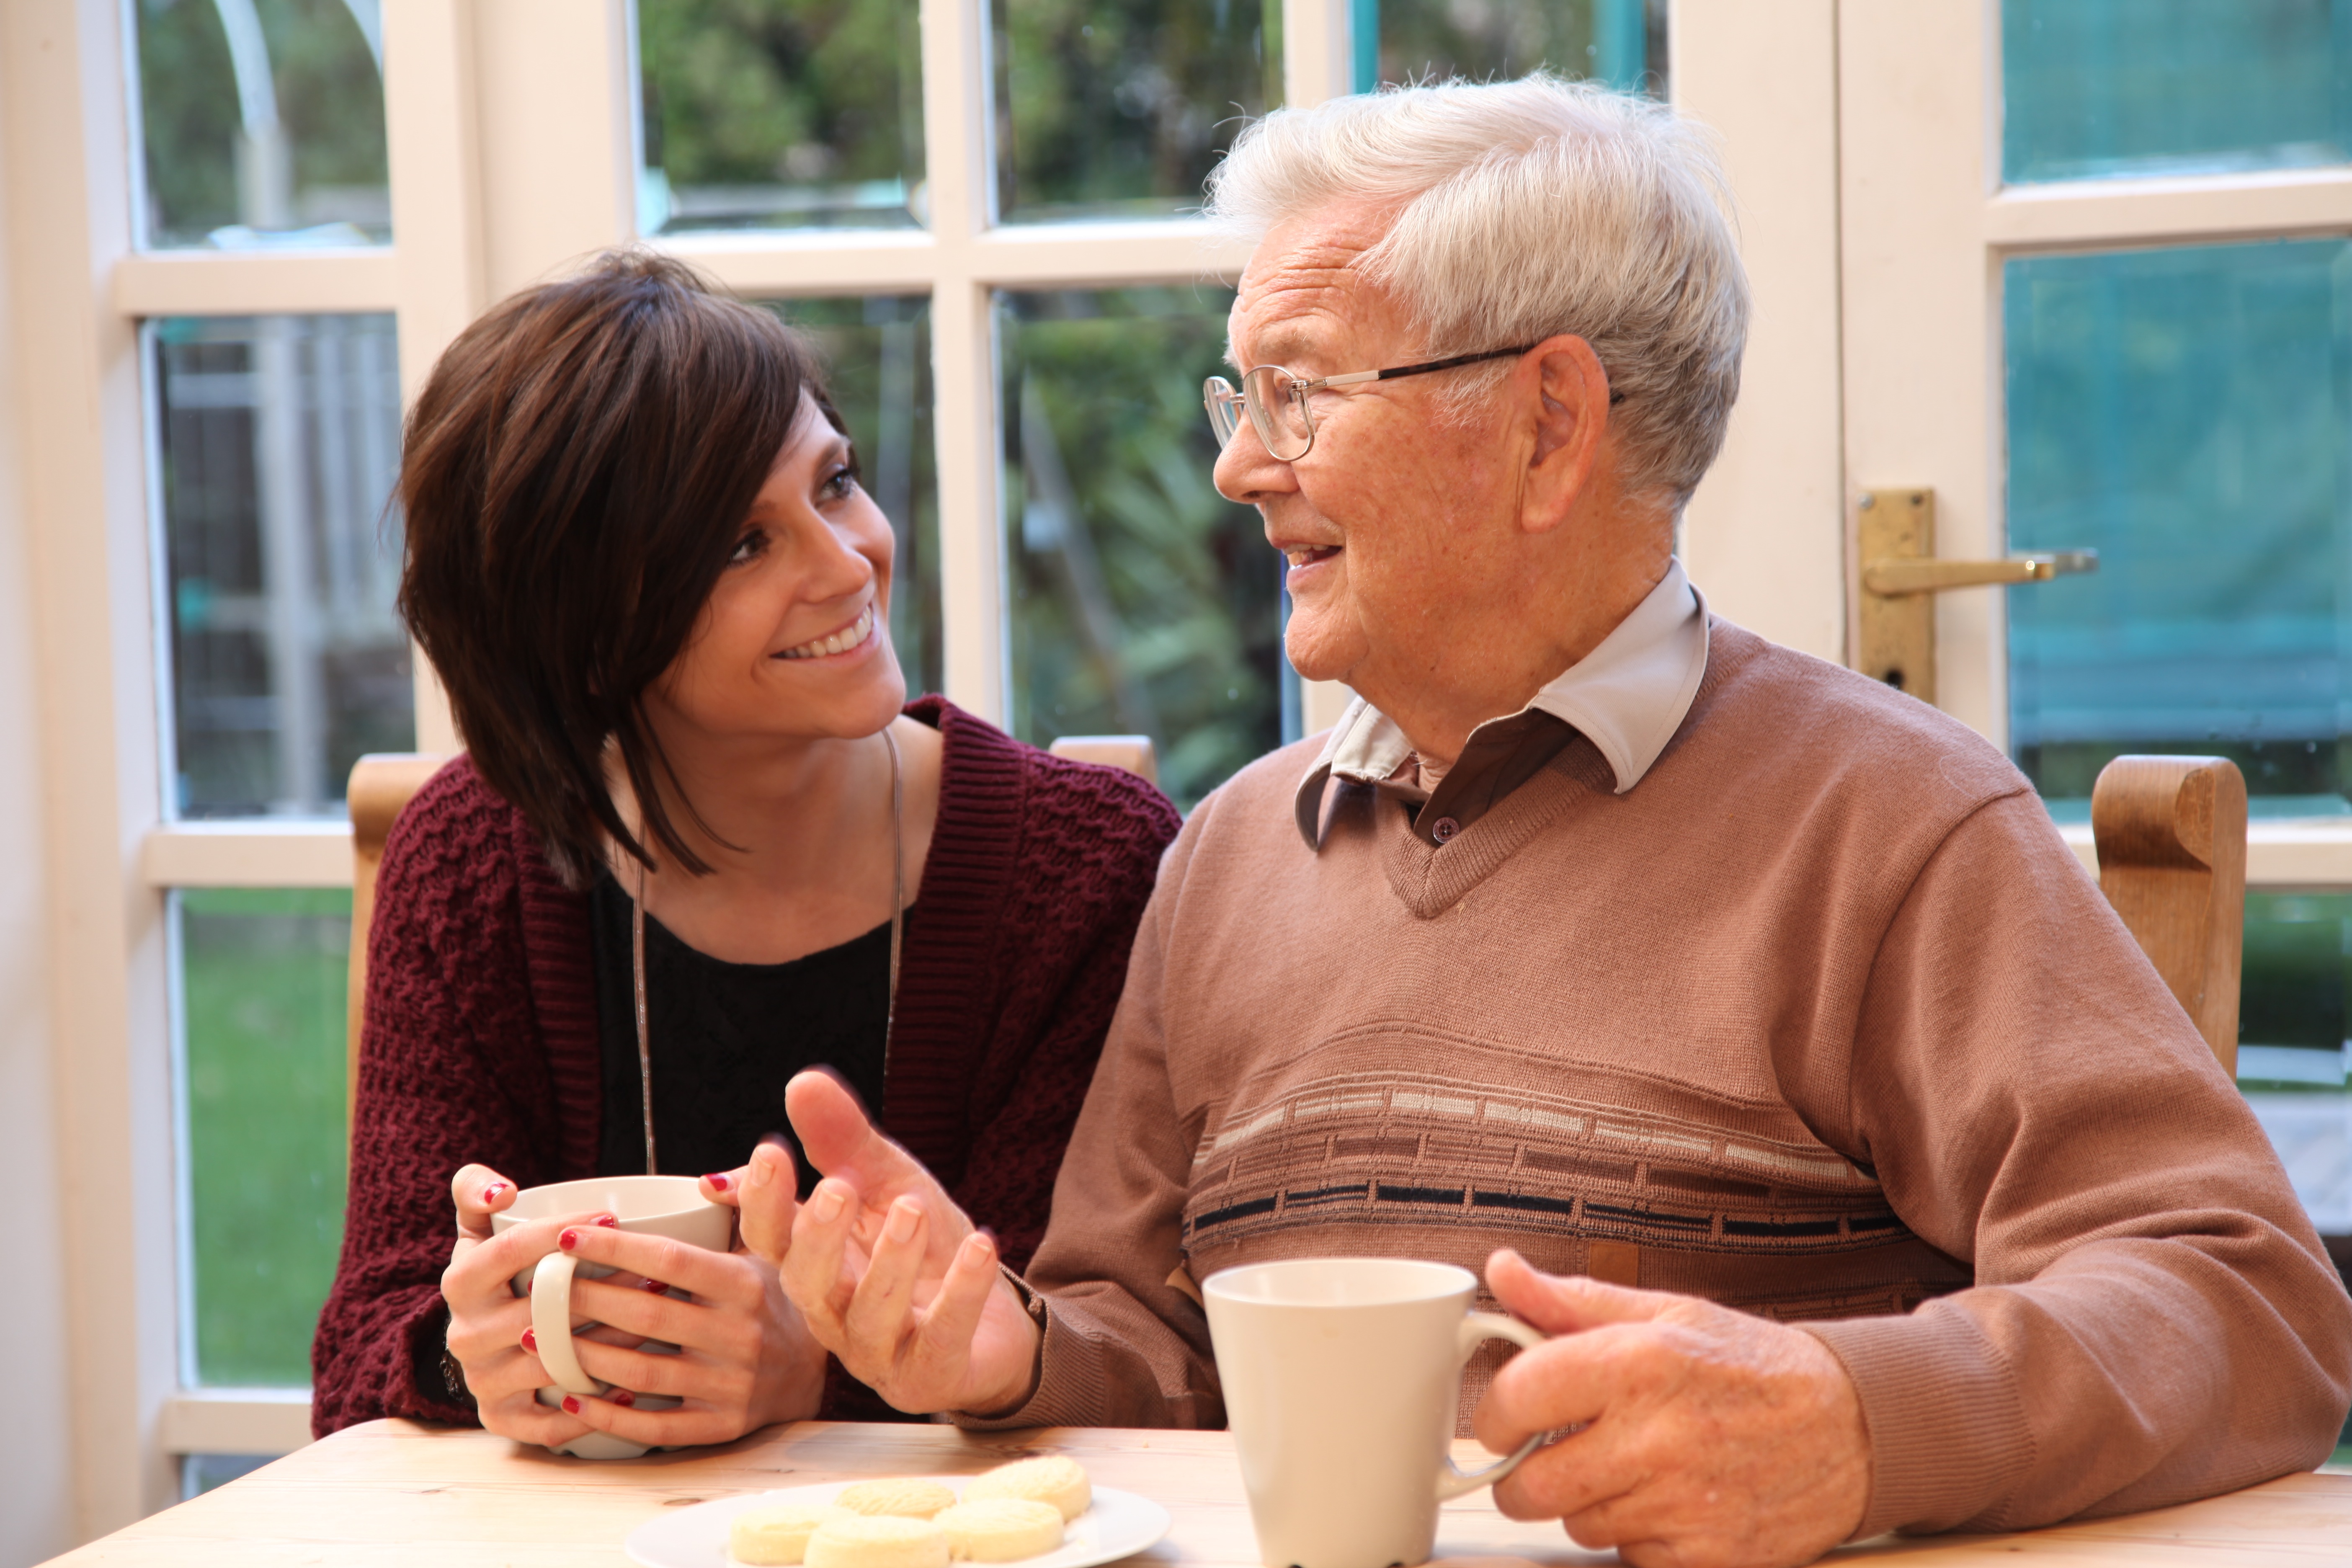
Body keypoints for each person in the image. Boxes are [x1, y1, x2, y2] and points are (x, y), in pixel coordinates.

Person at [709, 77, 2352, 1568]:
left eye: (1298, 393)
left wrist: (1857, 1419)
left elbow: (2247, 1298)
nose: (1236, 469)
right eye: (1243, 395)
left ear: (1552, 428)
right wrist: (1007, 1352)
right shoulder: (1228, 857)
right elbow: (1144, 1339)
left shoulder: (1895, 827)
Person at [309, 252, 1181, 1454]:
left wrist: (806, 1372)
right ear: (584, 631)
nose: (847, 562)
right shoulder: (473, 861)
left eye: (836, 483)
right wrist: (474, 1356)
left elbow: (1103, 1362)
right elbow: (364, 1355)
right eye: (741, 547)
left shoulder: (1078, 867)